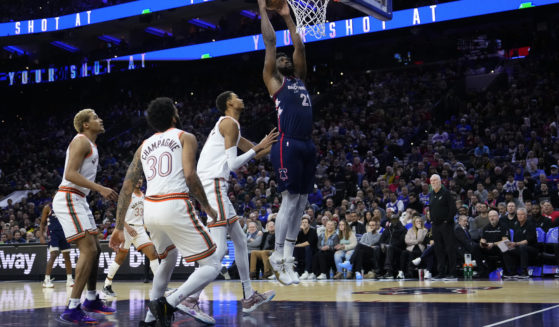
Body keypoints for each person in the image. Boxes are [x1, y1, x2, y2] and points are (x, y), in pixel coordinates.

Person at [110, 97, 221, 327]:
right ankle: (171, 301)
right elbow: (190, 176)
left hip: (150, 209)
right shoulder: (185, 136)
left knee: (167, 260)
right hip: (175, 203)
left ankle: (150, 320)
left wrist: (118, 227)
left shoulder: (143, 146)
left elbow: (127, 187)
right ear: (173, 116)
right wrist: (208, 207)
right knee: (212, 265)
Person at [185, 91, 277, 314]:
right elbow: (234, 163)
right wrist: (259, 146)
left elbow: (256, 152)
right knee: (218, 253)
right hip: (213, 185)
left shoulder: (230, 126)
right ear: (229, 103)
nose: (242, 99)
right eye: (237, 97)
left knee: (241, 241)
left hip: (215, 186)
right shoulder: (229, 123)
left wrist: (281, 143)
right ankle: (190, 298)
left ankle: (248, 297)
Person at [258, 0, 317, 285]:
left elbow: (301, 48)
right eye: (280, 58)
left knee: (302, 201)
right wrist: (262, 8)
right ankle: (277, 255)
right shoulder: (273, 80)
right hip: (287, 143)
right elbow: (270, 42)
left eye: (286, 57)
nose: (284, 58)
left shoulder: (301, 78)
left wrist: (288, 17)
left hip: (307, 144)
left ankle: (288, 257)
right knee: (289, 200)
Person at [53, 109, 118, 324]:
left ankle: (91, 299)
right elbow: (70, 174)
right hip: (69, 197)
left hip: (79, 198)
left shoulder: (91, 145)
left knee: (96, 249)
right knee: (88, 249)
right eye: (95, 118)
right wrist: (100, 188)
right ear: (86, 125)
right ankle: (72, 308)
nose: (100, 120)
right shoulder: (81, 141)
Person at [102, 178, 160, 297]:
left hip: (139, 229)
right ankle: (107, 285)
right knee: (120, 258)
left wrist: (144, 224)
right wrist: (127, 228)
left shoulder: (143, 195)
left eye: (140, 179)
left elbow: (143, 212)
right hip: (126, 229)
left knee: (153, 254)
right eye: (136, 179)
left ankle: (160, 285)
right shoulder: (128, 194)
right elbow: (119, 213)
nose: (138, 181)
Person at [39, 202, 74, 288]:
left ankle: (69, 280)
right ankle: (46, 280)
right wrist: (41, 236)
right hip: (53, 233)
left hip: (64, 233)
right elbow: (42, 223)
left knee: (67, 256)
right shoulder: (48, 207)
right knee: (53, 254)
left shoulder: (66, 207)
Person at [429, 174, 457, 279]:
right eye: (431, 181)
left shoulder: (446, 193)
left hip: (446, 225)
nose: (433, 182)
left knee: (450, 248)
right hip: (435, 225)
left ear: (440, 182)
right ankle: (441, 272)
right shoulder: (431, 194)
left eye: (435, 180)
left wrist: (447, 221)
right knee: (438, 249)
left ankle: (452, 272)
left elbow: (453, 209)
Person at [503, 208, 538, 278]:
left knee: (523, 246)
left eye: (522, 214)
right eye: (518, 214)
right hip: (519, 246)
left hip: (532, 248)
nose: (520, 216)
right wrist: (510, 244)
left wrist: (515, 244)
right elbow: (514, 240)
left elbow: (527, 241)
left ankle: (524, 272)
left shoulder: (530, 224)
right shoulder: (516, 224)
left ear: (526, 215)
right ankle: (512, 272)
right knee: (505, 248)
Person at [295, 215, 318, 280]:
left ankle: (307, 271)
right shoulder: (301, 232)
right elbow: (296, 241)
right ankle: (295, 271)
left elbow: (308, 243)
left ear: (309, 224)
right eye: (303, 222)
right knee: (295, 249)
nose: (304, 224)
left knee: (307, 247)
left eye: (305, 222)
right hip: (303, 250)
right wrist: (297, 231)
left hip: (312, 250)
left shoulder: (312, 231)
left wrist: (297, 245)